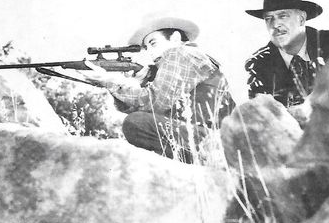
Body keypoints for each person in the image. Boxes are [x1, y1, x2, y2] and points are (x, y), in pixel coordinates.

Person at [80, 17, 235, 163]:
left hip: (213, 141)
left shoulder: (179, 53)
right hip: (217, 140)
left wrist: (110, 81)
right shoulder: (190, 58)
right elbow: (155, 110)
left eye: (153, 43)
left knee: (136, 123)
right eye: (146, 48)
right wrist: (141, 80)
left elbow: (155, 104)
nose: (150, 52)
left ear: (175, 38)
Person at [244, 0, 329, 107]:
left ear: (302, 19)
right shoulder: (259, 64)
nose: (275, 24)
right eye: (268, 18)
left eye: (282, 16)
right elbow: (263, 118)